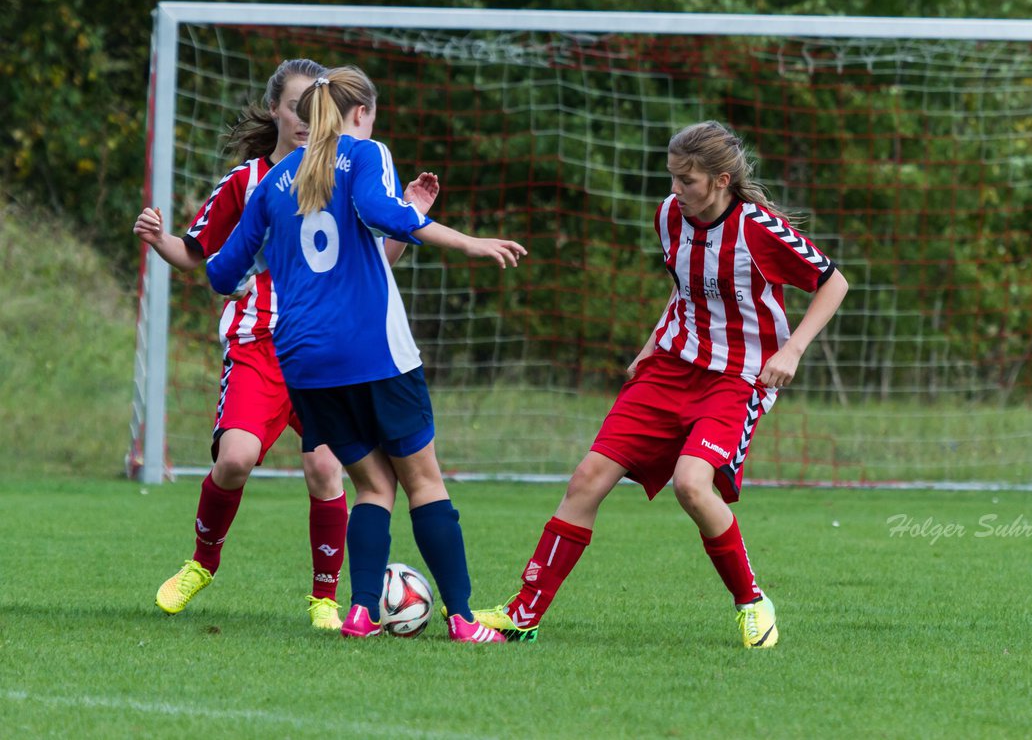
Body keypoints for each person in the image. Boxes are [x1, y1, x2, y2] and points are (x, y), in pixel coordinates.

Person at [474, 120, 849, 649]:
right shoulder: (670, 216)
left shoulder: (759, 229)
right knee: (586, 479)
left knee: (692, 485)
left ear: (721, 180)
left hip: (736, 379)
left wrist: (792, 350)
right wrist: (653, 342)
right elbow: (685, 290)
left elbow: (835, 281)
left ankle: (751, 602)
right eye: (671, 177)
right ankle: (523, 614)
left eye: (686, 180)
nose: (675, 190)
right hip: (670, 368)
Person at [205, 65, 527, 643]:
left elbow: (222, 271)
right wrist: (467, 241)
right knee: (425, 482)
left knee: (374, 486)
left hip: (303, 360)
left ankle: (359, 614)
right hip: (373, 351)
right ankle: (463, 619)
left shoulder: (275, 179)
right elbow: (383, 214)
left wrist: (254, 281)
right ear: (362, 113)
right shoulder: (365, 152)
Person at [133, 59, 436, 630]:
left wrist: (411, 219)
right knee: (236, 460)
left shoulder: (344, 174)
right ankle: (202, 563)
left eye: (315, 108)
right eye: (297, 107)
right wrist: (160, 240)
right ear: (276, 110)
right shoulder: (250, 182)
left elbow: (379, 262)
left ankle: (324, 598)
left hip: (326, 350)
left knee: (326, 471)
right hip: (259, 345)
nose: (306, 119)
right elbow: (201, 257)